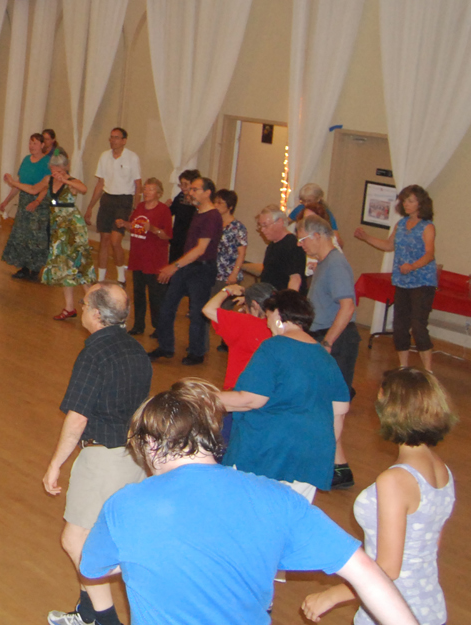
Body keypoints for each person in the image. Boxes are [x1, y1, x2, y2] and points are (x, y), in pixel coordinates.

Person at [79, 378, 423, 625]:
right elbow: (367, 573)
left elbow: (95, 568)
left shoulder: (125, 505)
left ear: (151, 445)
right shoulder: (278, 499)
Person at [302, 368, 456, 625]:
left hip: (391, 607)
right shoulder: (442, 470)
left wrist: (331, 596)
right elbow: (431, 545)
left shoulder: (394, 481)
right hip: (428, 605)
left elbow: (389, 568)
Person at [41, 283, 152, 625]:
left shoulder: (94, 355)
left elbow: (78, 418)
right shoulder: (137, 350)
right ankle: (86, 614)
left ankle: (106, 620)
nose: (82, 307)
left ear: (97, 314)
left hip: (103, 461)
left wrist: (55, 464)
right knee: (102, 536)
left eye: (85, 302)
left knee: (76, 540)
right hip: (135, 460)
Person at [218, 290, 350, 500]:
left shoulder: (273, 347)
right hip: (312, 454)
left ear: (279, 315)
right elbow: (339, 412)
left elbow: (251, 399)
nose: (267, 323)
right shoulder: (325, 358)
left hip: (270, 451)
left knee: (251, 510)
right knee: (292, 514)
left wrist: (201, 397)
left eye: (268, 316)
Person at [298, 215, 358, 488]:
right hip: (323, 337)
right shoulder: (324, 263)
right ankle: (336, 467)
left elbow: (348, 306)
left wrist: (328, 342)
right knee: (322, 407)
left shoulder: (336, 264)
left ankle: (336, 468)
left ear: (317, 236)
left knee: (330, 408)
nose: (300, 244)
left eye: (302, 239)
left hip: (337, 340)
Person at [354, 185, 437, 370]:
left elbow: (429, 254)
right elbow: (388, 245)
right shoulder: (400, 224)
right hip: (402, 281)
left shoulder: (427, 226)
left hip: (422, 282)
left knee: (418, 326)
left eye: (410, 201)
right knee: (399, 326)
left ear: (420, 203)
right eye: (404, 200)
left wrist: (412, 266)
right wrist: (366, 237)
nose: (406, 204)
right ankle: (403, 367)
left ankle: (428, 371)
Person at [148, 176, 221, 365]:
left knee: (197, 313)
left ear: (208, 193)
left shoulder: (212, 216)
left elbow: (200, 249)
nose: (190, 192)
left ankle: (196, 353)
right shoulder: (198, 213)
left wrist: (174, 267)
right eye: (190, 189)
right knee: (167, 306)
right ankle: (166, 347)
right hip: (188, 267)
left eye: (195, 189)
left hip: (201, 270)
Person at [11, 153, 94, 319]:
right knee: (63, 265)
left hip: (72, 227)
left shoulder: (70, 181)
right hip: (58, 226)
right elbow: (33, 189)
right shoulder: (48, 180)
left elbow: (83, 189)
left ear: (65, 168)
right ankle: (69, 307)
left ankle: (92, 304)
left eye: (59, 169)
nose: (56, 172)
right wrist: (14, 183)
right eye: (53, 169)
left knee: (79, 264)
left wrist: (66, 180)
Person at [83, 128, 141, 283]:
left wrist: (135, 208)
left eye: (116, 137)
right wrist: (90, 207)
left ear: (124, 140)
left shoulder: (132, 157)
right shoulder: (104, 156)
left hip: (124, 200)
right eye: (111, 137)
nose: (113, 140)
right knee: (104, 240)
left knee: (116, 240)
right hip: (107, 199)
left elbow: (138, 184)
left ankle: (121, 277)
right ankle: (100, 278)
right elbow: (100, 183)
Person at [203, 282, 276, 391]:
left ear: (255, 305)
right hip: (268, 388)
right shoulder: (281, 325)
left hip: (241, 387)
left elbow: (208, 309)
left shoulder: (242, 322)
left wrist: (227, 290)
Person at [122, 178, 171, 335]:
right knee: (138, 293)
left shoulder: (163, 210)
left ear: (159, 193)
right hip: (138, 257)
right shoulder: (140, 207)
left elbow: (167, 235)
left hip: (154, 260)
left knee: (156, 296)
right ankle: (138, 325)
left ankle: (159, 327)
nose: (146, 192)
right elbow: (134, 227)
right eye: (145, 189)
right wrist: (124, 224)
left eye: (150, 189)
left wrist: (153, 229)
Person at [1, 133, 52, 279]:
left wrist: (37, 201)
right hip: (24, 201)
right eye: (30, 143)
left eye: (35, 143)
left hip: (39, 203)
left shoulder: (47, 162)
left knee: (36, 236)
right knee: (22, 234)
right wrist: (6, 200)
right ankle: (23, 267)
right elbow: (19, 183)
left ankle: (35, 269)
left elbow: (46, 186)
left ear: (42, 145)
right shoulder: (26, 160)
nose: (31, 146)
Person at [245, 205, 305, 292]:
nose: (262, 230)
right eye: (260, 226)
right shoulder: (272, 245)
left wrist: (288, 299)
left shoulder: (293, 245)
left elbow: (295, 279)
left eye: (265, 225)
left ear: (280, 222)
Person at [213, 190, 247, 287]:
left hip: (228, 273)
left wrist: (234, 274)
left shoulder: (238, 227)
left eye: (219, 203)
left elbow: (241, 253)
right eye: (215, 202)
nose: (215, 205)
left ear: (230, 206)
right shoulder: (215, 224)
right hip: (213, 271)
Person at [165, 170, 201, 262]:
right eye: (181, 184)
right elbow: (170, 213)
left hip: (191, 240)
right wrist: (165, 207)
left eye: (186, 184)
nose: (183, 187)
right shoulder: (180, 197)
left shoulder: (199, 200)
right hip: (177, 239)